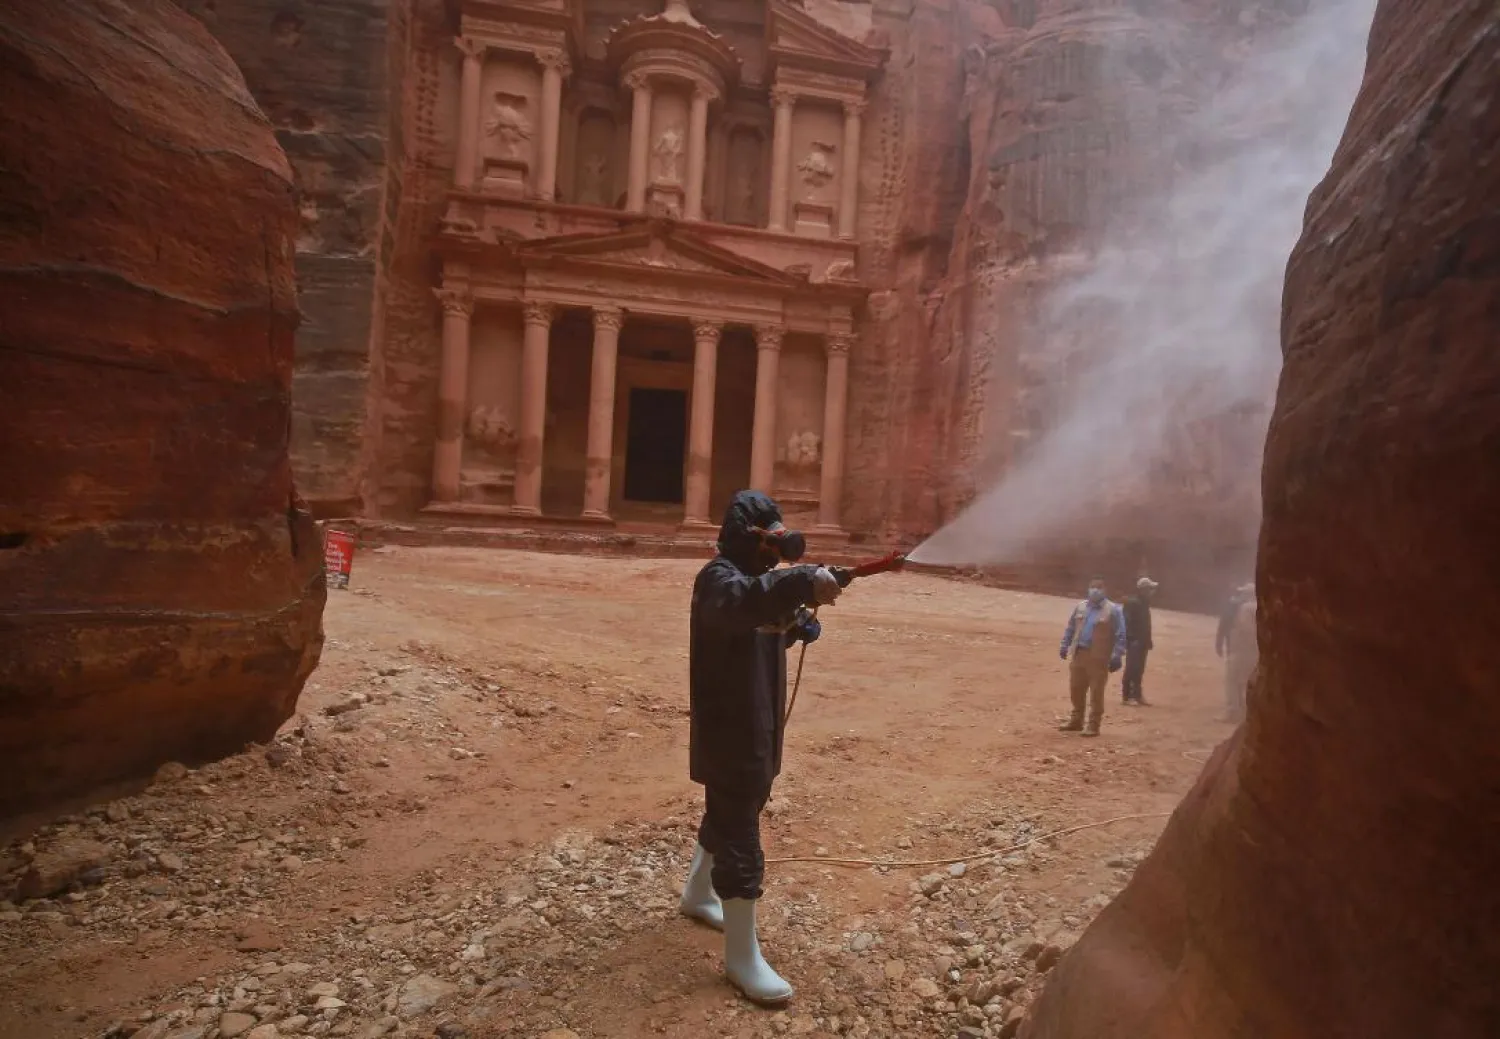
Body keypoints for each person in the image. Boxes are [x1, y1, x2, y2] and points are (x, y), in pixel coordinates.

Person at [677, 490, 844, 1007]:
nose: (776, 547)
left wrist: (798, 622)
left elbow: (764, 617)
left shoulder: (754, 586)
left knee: (733, 809)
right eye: (769, 537)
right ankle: (741, 958)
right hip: (732, 729)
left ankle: (698, 893)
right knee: (742, 833)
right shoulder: (719, 580)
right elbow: (743, 605)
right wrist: (798, 579)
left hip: (759, 724)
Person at [1058, 578, 1127, 736]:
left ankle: (1093, 725)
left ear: (1105, 590)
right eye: (1092, 587)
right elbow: (1071, 628)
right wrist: (1064, 645)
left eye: (1099, 587)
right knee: (1076, 689)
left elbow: (1121, 635)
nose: (1095, 590)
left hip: (1099, 657)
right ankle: (1076, 720)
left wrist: (1117, 655)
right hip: (1079, 653)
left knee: (1096, 692)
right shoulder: (1081, 607)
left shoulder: (1113, 610)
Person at [1220, 582, 1258, 722]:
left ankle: (1233, 712)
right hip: (1255, 652)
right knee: (1248, 682)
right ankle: (1246, 712)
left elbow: (1246, 629)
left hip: (1242, 650)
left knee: (1232, 681)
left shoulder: (1246, 609)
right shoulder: (1261, 608)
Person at [1121, 576, 1158, 705]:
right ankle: (1127, 696)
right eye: (1150, 589)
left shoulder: (1144, 604)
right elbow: (1126, 622)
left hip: (1143, 642)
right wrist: (1130, 639)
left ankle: (1137, 694)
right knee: (1132, 668)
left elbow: (1145, 624)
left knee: (1139, 669)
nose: (1152, 592)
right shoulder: (1132, 603)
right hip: (1134, 642)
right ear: (1143, 590)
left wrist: (1148, 639)